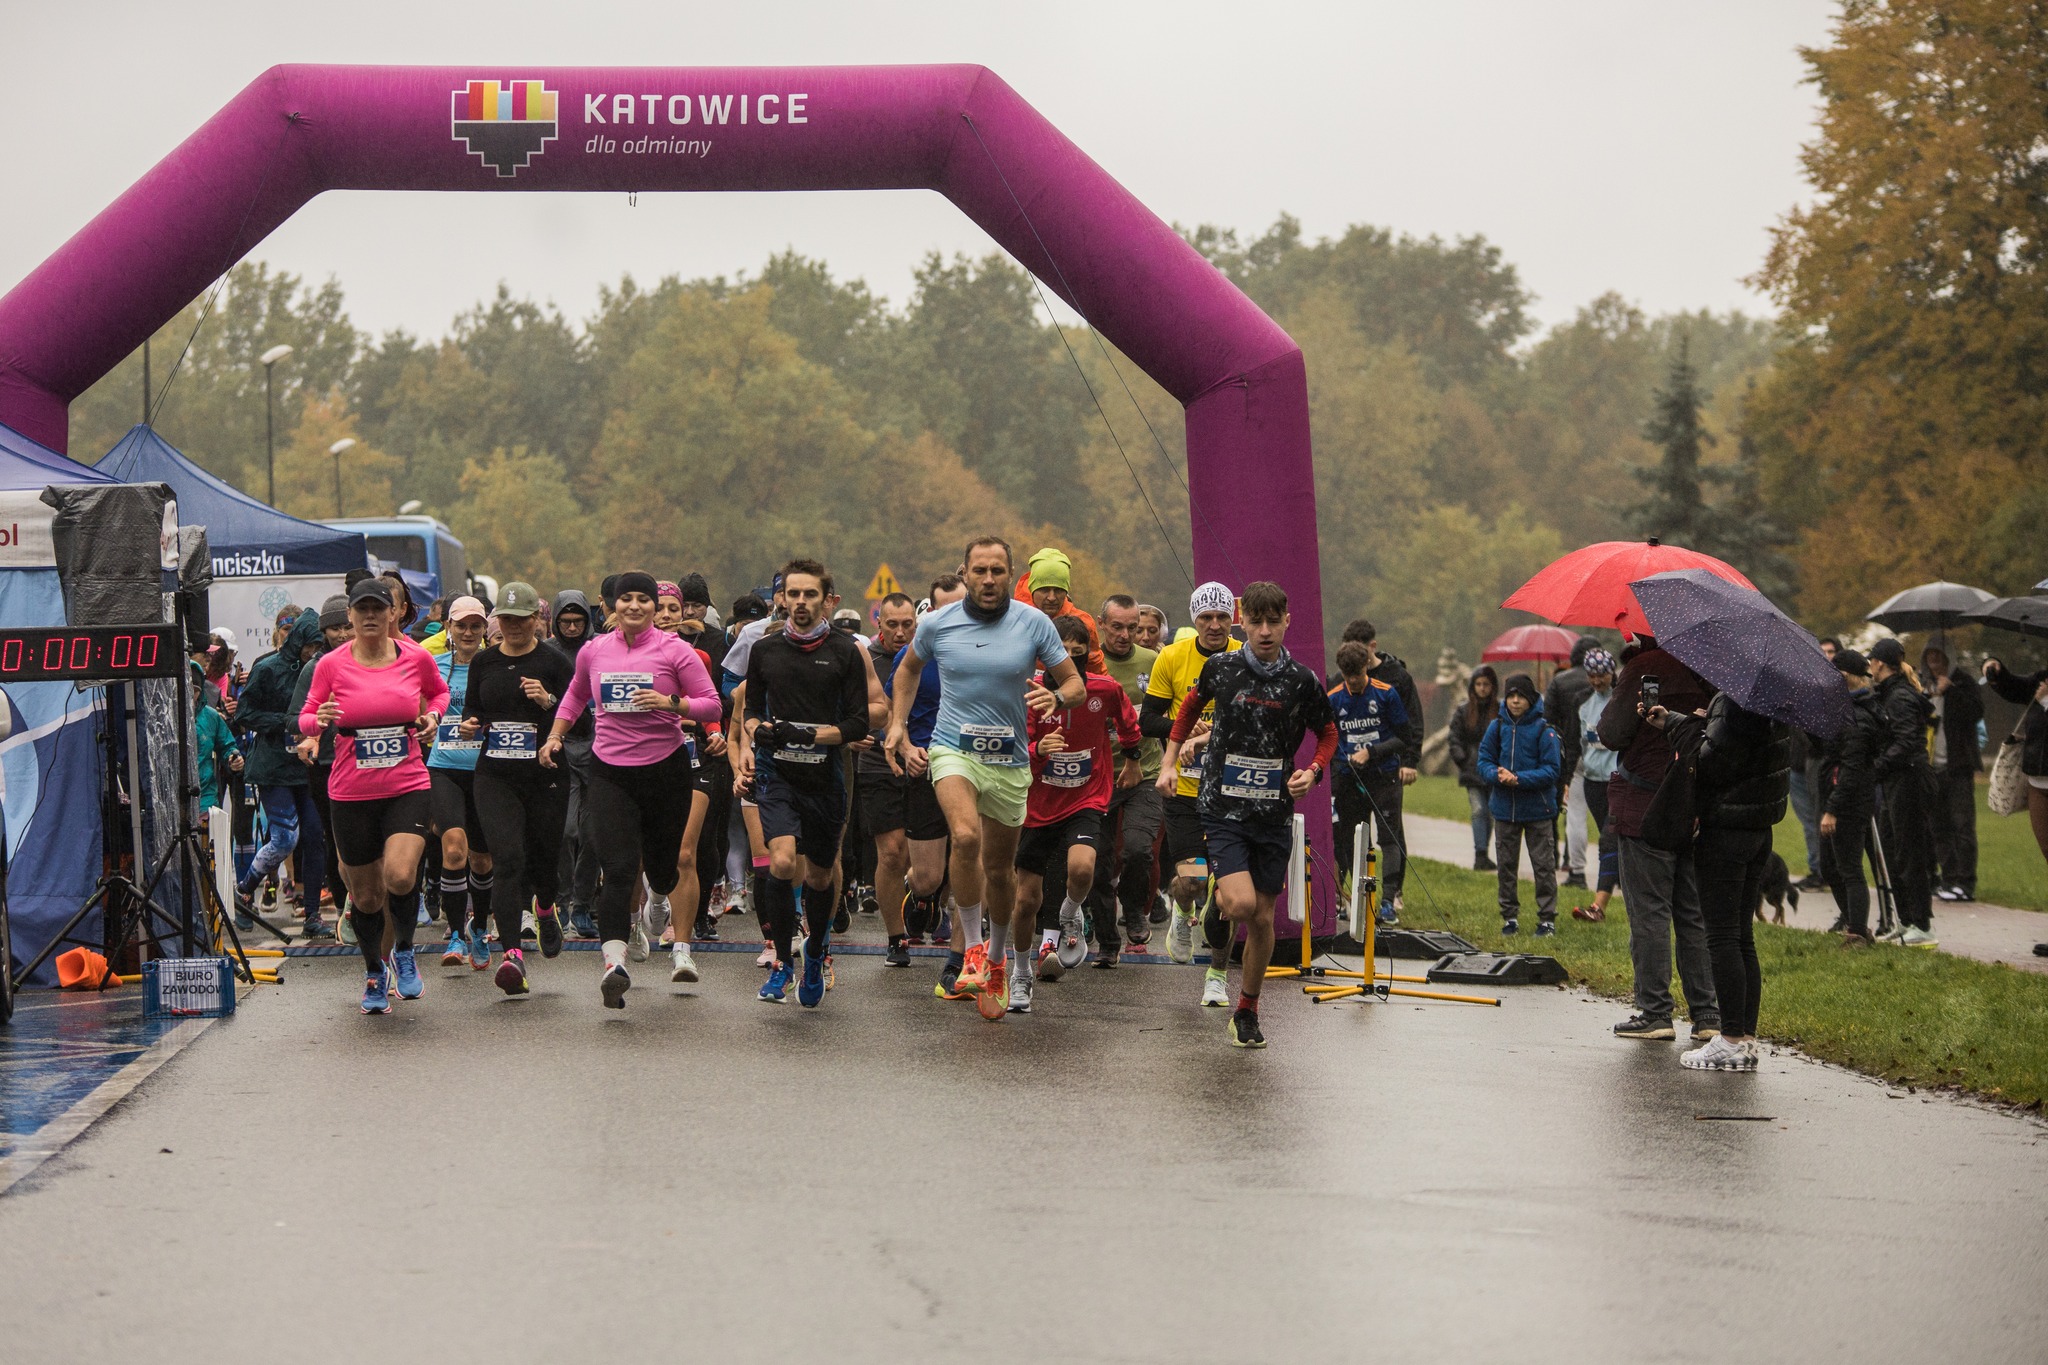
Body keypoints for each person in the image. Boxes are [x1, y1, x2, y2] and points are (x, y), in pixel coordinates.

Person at [887, 536, 1083, 1021]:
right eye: (980, 571)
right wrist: (897, 724)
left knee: (1000, 871)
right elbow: (908, 671)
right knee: (965, 836)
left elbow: (1075, 684)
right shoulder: (937, 623)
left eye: (998, 570)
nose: (989, 579)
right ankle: (972, 949)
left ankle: (997, 959)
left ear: (1010, 574)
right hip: (954, 750)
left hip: (1010, 761)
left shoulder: (1034, 623)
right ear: (966, 573)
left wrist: (1057, 698)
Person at [1158, 580, 1336, 1048]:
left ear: (1286, 622)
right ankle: (1220, 904)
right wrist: (1168, 762)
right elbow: (1184, 714)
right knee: (1239, 905)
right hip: (1222, 806)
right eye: (1255, 622)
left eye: (1272, 622)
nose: (1263, 631)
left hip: (1272, 813)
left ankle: (1247, 1010)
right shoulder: (1222, 667)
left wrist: (1314, 772)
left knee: (1261, 918)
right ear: (1244, 623)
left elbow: (1329, 734)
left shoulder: (1302, 680)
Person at [541, 571, 721, 1009]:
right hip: (610, 772)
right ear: (612, 607)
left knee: (662, 868)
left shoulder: (675, 651)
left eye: (644, 600)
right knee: (618, 867)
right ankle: (614, 963)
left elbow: (712, 703)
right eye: (627, 600)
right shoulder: (593, 650)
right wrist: (555, 736)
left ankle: (657, 905)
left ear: (655, 609)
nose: (635, 606)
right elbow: (574, 697)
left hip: (665, 772)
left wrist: (671, 704)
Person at [298, 576, 449, 1013]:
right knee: (364, 897)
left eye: (377, 609)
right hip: (351, 792)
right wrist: (317, 722)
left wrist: (433, 717)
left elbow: (438, 692)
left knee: (400, 876)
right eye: (360, 610)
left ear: (393, 614)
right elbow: (306, 716)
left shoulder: (415, 657)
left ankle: (403, 950)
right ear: (349, 616)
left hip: (407, 784)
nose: (369, 616)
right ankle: (372, 971)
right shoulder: (331, 664)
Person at [739, 559, 879, 1007]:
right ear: (782, 599)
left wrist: (815, 735)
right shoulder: (764, 650)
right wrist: (759, 731)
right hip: (776, 772)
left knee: (820, 876)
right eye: (793, 594)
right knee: (781, 863)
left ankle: (815, 951)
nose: (800, 603)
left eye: (810, 595)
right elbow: (751, 711)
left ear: (826, 600)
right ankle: (783, 963)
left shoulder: (845, 651)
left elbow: (859, 723)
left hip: (825, 778)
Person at [1010, 614, 1143, 1011]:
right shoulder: (1029, 695)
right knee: (1025, 901)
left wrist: (1133, 760)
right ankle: (1019, 973)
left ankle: (1070, 915)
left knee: (1083, 868)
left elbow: (1128, 723)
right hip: (1038, 804)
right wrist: (1038, 750)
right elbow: (1015, 752)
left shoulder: (1104, 689)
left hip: (1087, 797)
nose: (1067, 657)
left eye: (1076, 651)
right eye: (1059, 652)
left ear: (1088, 653)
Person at [1598, 635, 1720, 1043]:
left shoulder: (1647, 665)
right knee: (1692, 914)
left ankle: (1655, 1012)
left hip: (1644, 806)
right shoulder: (1711, 667)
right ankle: (1707, 1015)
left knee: (1649, 912)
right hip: (1692, 804)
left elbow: (1611, 733)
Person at [1664, 690, 1791, 1072]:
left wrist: (1692, 732)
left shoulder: (1736, 702)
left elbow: (1712, 764)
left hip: (1726, 829)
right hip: (1758, 828)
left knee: (1721, 936)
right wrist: (1689, 721)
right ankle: (1745, 1037)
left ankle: (1731, 1037)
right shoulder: (1773, 702)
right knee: (1741, 935)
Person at [458, 582, 574, 995]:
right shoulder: (484, 661)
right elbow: (473, 709)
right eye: (506, 619)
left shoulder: (555, 661)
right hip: (496, 775)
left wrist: (548, 701)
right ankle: (512, 957)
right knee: (506, 859)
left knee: (543, 859)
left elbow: (584, 721)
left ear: (536, 620)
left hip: (545, 775)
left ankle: (545, 907)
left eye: (522, 619)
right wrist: (469, 724)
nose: (514, 627)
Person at [1143, 582, 1241, 989]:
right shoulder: (1172, 657)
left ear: (1232, 619)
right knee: (1195, 879)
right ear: (1194, 620)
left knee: (1227, 894)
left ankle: (1217, 975)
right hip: (1185, 791)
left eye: (1221, 617)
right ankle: (1182, 911)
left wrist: (1213, 734)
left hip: (1233, 792)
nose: (1214, 625)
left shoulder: (1245, 656)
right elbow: (1148, 721)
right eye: (1206, 617)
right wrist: (1182, 733)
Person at [857, 587, 956, 969]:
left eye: (907, 625)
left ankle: (924, 895)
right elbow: (868, 709)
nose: (900, 632)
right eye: (892, 624)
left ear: (919, 622)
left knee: (934, 860)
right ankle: (896, 937)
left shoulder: (930, 652)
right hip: (880, 764)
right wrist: (858, 732)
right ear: (878, 622)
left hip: (930, 764)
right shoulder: (867, 656)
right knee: (892, 852)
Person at [232, 609, 327, 935]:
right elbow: (244, 713)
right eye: (309, 645)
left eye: (318, 645)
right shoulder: (268, 668)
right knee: (285, 839)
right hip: (273, 766)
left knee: (315, 837)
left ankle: (312, 916)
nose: (313, 652)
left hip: (308, 766)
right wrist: (287, 723)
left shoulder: (321, 669)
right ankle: (246, 889)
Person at [1087, 593, 1164, 956]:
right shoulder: (1088, 664)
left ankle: (1134, 909)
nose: (1125, 635)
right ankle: (1106, 938)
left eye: (1132, 628)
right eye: (1116, 627)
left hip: (1144, 773)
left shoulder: (1152, 660)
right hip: (1099, 776)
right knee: (1097, 862)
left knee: (1136, 850)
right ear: (1101, 625)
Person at [1331, 620, 1422, 912]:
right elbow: (1329, 738)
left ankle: (1389, 900)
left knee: (1390, 837)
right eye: (1347, 677)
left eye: (1357, 676)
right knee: (1350, 839)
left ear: (1366, 669)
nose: (1353, 682)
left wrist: (1372, 752)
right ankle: (1351, 898)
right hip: (1349, 779)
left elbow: (1404, 736)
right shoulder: (1334, 696)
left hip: (1384, 778)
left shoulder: (1387, 692)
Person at [426, 596, 495, 974]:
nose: (468, 632)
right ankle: (455, 934)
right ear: (449, 629)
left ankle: (480, 928)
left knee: (483, 859)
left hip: (486, 771)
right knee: (454, 851)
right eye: (461, 625)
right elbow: (417, 708)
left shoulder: (495, 667)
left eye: (475, 626)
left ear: (485, 629)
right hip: (444, 768)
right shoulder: (433, 667)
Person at [1476, 673, 1561, 936]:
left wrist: (1519, 779)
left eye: (1521, 696)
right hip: (1504, 810)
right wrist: (1496, 775)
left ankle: (1547, 918)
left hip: (1538, 810)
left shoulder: (1544, 730)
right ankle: (1509, 917)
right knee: (1506, 867)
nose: (1515, 701)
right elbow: (1483, 760)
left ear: (1531, 699)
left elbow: (1551, 770)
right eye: (1511, 695)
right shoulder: (1497, 727)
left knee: (1544, 866)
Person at [1868, 638, 1938, 947]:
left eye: (1871, 661)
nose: (1869, 666)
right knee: (1892, 849)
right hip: (1895, 780)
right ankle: (1906, 919)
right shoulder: (1888, 694)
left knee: (1910, 853)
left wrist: (1877, 767)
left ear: (1879, 664)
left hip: (1909, 779)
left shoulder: (1900, 697)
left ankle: (1921, 924)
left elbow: (1907, 741)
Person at [1818, 649, 1885, 946]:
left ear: (1843, 675)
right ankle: (1852, 922)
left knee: (1849, 868)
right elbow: (1832, 750)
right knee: (1831, 866)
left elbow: (1852, 767)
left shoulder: (1858, 716)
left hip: (1848, 802)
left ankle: (1857, 932)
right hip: (1841, 798)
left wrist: (1832, 809)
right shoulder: (1848, 710)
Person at [550, 589, 601, 940]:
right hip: (563, 746)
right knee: (566, 831)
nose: (571, 627)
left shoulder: (598, 649)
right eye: (565, 621)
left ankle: (583, 904)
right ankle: (561, 900)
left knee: (593, 833)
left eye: (578, 621)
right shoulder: (547, 653)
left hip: (601, 745)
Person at [1981, 654, 2048, 896]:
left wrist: (2046, 701)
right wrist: (1996, 669)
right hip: (2036, 781)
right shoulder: (2042, 679)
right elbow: (2016, 689)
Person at [1923, 645, 1984, 903]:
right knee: (1939, 828)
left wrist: (1952, 691)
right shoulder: (1925, 685)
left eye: (1938, 654)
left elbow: (1975, 713)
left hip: (1958, 768)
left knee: (1962, 826)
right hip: (1932, 768)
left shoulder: (1963, 683)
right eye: (1929, 655)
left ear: (1949, 656)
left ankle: (1965, 882)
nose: (1934, 659)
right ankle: (1948, 879)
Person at [1544, 637, 1598, 889]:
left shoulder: (1560, 682)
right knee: (1610, 816)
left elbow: (1548, 722)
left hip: (1570, 755)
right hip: (1603, 754)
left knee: (1575, 814)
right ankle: (1614, 873)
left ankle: (1577, 871)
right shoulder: (1607, 681)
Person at [1572, 650, 1621, 921]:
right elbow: (1579, 742)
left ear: (1612, 673)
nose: (1596, 681)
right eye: (1591, 675)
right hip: (1593, 783)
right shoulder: (1583, 705)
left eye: (1601, 675)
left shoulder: (1621, 701)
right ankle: (1625, 881)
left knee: (1608, 839)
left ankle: (1598, 907)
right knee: (1617, 842)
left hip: (1616, 781)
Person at [1446, 666, 1499, 870]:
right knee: (1479, 810)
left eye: (1486, 684)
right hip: (1472, 768)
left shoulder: (1500, 710)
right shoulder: (1464, 710)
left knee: (1491, 812)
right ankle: (1480, 853)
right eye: (1478, 684)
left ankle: (1484, 851)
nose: (1482, 688)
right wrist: (1462, 758)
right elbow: (1454, 738)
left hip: (1494, 768)